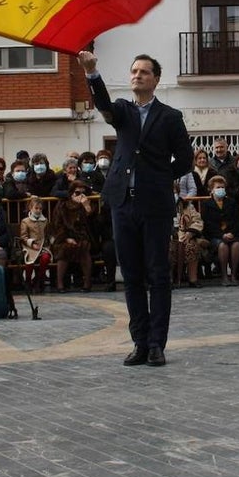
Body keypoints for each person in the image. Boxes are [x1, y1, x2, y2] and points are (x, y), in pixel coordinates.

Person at [79, 49, 192, 368]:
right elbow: (102, 104)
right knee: (130, 276)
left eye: (144, 72)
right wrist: (92, 73)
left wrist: (158, 177)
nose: (137, 75)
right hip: (122, 203)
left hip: (154, 204)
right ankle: (139, 342)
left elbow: (184, 159)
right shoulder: (123, 111)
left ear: (156, 79)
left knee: (157, 275)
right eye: (134, 71)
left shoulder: (170, 116)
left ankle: (157, 344)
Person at [52, 180, 96, 293]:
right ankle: (60, 284)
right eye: (77, 193)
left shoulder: (88, 204)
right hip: (64, 236)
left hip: (82, 236)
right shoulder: (62, 205)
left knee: (84, 246)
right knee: (64, 248)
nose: (80, 196)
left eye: (83, 193)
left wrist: (87, 208)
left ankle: (87, 282)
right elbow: (58, 225)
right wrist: (66, 237)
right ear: (71, 193)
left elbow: (91, 225)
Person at [201, 175, 239, 286]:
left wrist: (232, 233)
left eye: (222, 187)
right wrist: (221, 235)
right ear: (212, 189)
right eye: (218, 187)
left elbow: (236, 220)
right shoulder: (206, 204)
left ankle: (233, 275)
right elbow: (208, 224)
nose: (221, 190)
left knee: (236, 244)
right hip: (215, 235)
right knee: (222, 245)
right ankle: (224, 276)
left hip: (231, 233)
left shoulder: (232, 202)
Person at [19, 196, 53, 293]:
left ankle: (39, 279)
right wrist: (32, 244)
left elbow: (48, 234)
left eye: (40, 208)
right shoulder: (25, 221)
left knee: (46, 258)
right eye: (36, 208)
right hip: (30, 247)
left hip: (43, 246)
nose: (38, 210)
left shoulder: (45, 221)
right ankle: (28, 281)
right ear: (31, 208)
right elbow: (24, 237)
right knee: (29, 261)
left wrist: (50, 243)